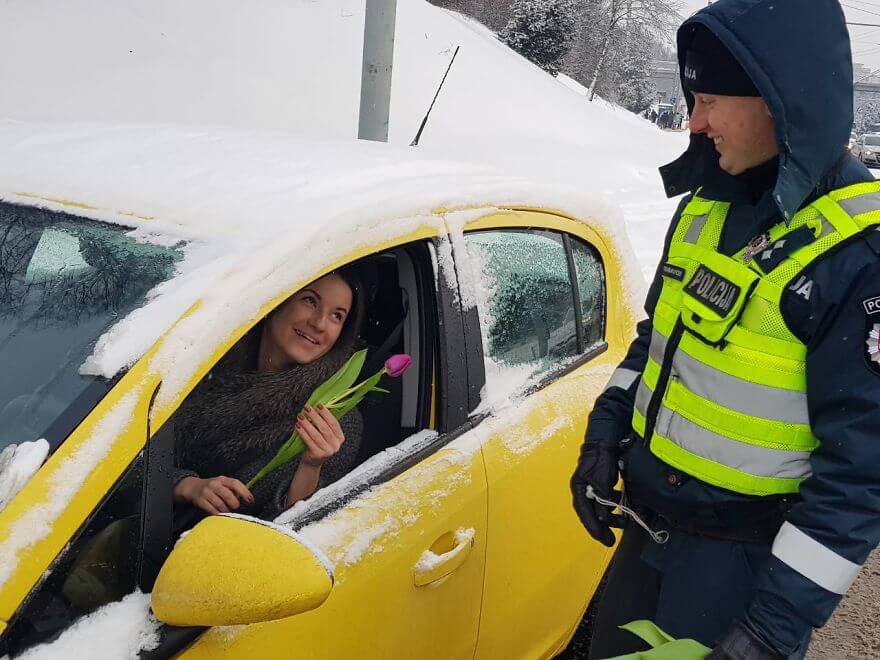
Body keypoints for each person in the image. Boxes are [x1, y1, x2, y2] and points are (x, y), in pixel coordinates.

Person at [571, 1, 880, 659]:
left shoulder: (856, 255)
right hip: (647, 541)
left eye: (711, 99)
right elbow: (656, 342)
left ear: (779, 100)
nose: (694, 121)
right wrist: (604, 436)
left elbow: (860, 475)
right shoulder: (708, 204)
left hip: (740, 573)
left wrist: (772, 629)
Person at [172, 268, 366, 520]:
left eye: (336, 316)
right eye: (310, 300)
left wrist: (311, 466)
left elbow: (288, 531)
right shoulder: (204, 362)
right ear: (277, 299)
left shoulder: (336, 416)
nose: (318, 324)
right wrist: (185, 485)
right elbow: (134, 459)